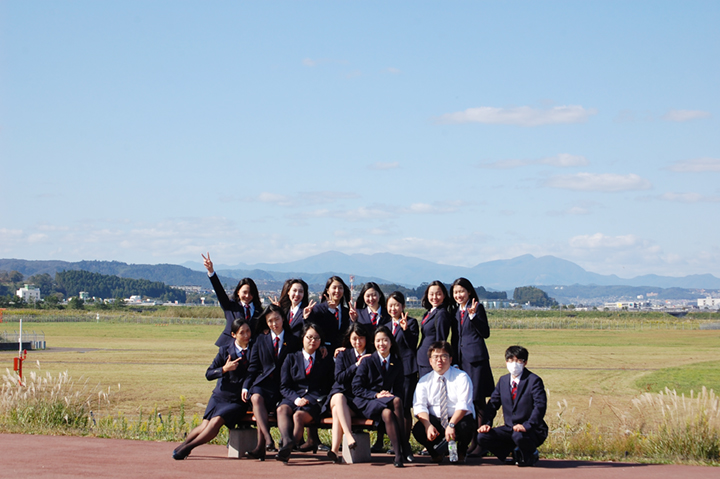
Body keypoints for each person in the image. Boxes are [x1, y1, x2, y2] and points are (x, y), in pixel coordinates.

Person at [172, 318, 253, 460]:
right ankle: (183, 445)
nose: (246, 335)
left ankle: (188, 448)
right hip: (220, 396)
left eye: (248, 331)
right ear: (233, 335)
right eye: (242, 333)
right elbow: (209, 374)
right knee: (204, 425)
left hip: (237, 400)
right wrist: (224, 369)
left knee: (215, 422)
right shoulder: (225, 350)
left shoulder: (254, 350)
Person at [242, 304, 300, 460]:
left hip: (284, 386)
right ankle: (268, 439)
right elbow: (253, 367)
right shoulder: (260, 339)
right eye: (270, 321)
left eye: (277, 319)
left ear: (283, 318)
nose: (274, 324)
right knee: (255, 397)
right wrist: (246, 386)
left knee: (281, 408)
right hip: (264, 384)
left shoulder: (293, 340)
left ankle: (262, 447)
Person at [352, 326, 413, 467]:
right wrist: (376, 395)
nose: (382, 344)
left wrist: (388, 396)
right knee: (397, 401)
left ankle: (398, 455)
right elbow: (356, 388)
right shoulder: (367, 361)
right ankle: (405, 444)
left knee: (388, 413)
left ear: (391, 342)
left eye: (385, 340)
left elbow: (399, 389)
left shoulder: (397, 362)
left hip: (385, 403)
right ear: (374, 343)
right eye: (378, 341)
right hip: (367, 402)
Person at [477, 345, 547, 467]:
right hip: (510, 428)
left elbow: (540, 406)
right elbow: (493, 404)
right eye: (510, 360)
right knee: (482, 437)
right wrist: (486, 424)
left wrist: (527, 425)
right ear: (506, 362)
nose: (514, 364)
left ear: (525, 362)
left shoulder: (534, 380)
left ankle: (531, 453)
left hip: (531, 430)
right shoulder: (503, 381)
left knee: (518, 435)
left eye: (518, 360)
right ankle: (512, 454)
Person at [275, 323, 334, 462]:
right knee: (282, 409)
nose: (313, 341)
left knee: (298, 416)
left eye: (317, 338)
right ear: (303, 338)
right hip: (293, 396)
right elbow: (284, 386)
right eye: (309, 337)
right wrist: (296, 399)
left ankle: (288, 447)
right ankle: (287, 441)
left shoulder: (325, 360)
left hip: (313, 400)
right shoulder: (291, 358)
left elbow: (328, 386)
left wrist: (312, 399)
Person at [412, 340, 476, 464]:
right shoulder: (424, 381)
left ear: (451, 359)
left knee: (466, 426)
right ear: (430, 361)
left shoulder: (462, 377)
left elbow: (463, 405)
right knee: (418, 430)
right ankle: (436, 454)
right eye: (435, 357)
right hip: (436, 419)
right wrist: (428, 426)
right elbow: (419, 405)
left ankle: (462, 452)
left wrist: (451, 425)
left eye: (444, 356)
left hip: (457, 419)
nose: (439, 360)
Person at [450, 277, 494, 454]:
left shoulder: (477, 308)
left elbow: (486, 333)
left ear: (469, 292)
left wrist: (473, 316)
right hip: (461, 361)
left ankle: (481, 443)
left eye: (461, 291)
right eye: (455, 292)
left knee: (478, 400)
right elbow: (455, 338)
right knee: (467, 401)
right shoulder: (455, 311)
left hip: (476, 361)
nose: (458, 295)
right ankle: (473, 442)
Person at [372, 291, 418, 453]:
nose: (393, 308)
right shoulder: (384, 324)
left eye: (397, 305)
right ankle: (380, 442)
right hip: (386, 370)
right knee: (384, 405)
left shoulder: (411, 322)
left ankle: (403, 444)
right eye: (390, 305)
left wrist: (405, 330)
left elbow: (412, 345)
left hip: (406, 371)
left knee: (404, 407)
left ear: (403, 306)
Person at [325, 322, 372, 463]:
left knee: (337, 412)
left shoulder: (372, 355)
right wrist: (356, 365)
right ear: (349, 339)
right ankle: (349, 436)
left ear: (366, 339)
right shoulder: (343, 354)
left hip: (355, 401)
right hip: (339, 393)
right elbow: (339, 378)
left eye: (360, 338)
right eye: (354, 339)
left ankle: (334, 450)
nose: (357, 342)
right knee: (339, 398)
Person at [202, 252, 262, 347]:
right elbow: (219, 291)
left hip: (251, 350)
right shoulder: (230, 306)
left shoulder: (259, 311)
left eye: (251, 293)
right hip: (229, 347)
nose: (247, 296)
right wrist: (211, 272)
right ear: (238, 292)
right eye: (244, 292)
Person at [416, 281, 453, 378]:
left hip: (431, 360)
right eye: (431, 294)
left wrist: (436, 359)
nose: (434, 297)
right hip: (422, 358)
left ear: (444, 295)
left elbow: (441, 339)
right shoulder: (429, 313)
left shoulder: (441, 314)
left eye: (438, 294)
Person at [307, 276, 351, 354]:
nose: (337, 291)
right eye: (334, 288)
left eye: (340, 288)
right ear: (328, 291)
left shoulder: (347, 312)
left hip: (342, 353)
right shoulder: (318, 310)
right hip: (323, 352)